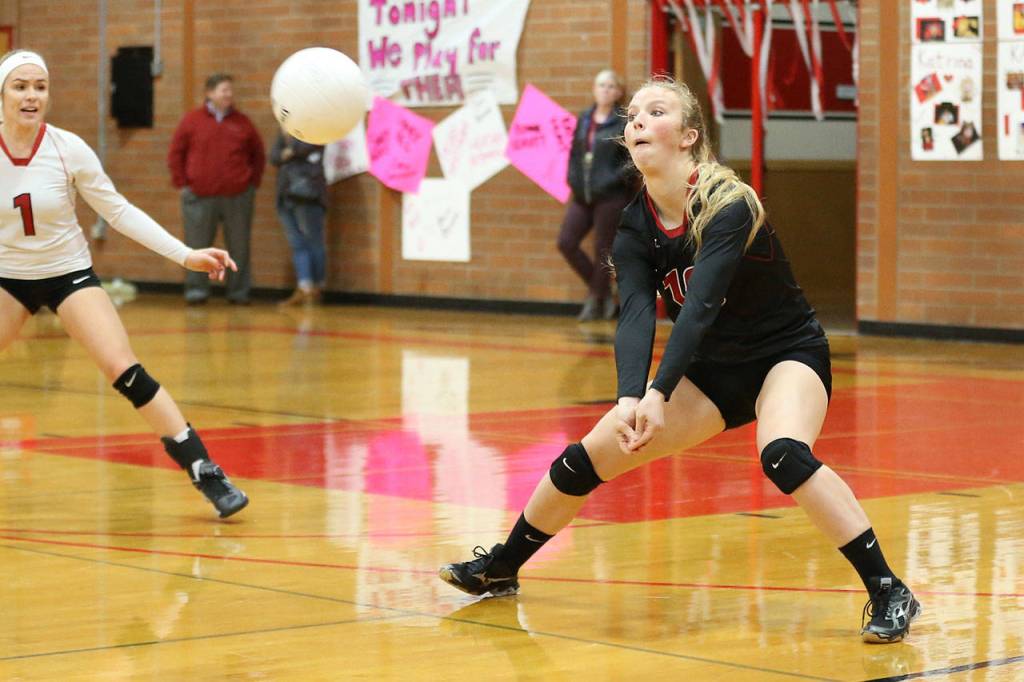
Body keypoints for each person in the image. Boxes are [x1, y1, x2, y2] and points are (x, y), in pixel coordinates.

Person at [440, 76, 920, 644]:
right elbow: (638, 313)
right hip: (713, 372)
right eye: (633, 114)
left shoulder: (730, 204)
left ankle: (889, 588)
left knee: (784, 456)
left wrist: (659, 393)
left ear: (689, 136)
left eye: (656, 110)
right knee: (585, 458)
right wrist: (628, 399)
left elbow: (699, 307)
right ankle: (502, 566)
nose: (637, 120)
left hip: (785, 355)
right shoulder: (635, 225)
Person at [0, 50, 248, 518]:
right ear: (2, 95)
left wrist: (187, 254)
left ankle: (205, 471)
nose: (32, 96)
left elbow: (118, 211)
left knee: (124, 368)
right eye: (20, 86)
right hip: (8, 278)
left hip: (67, 274)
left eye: (40, 86)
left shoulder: (67, 148)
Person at [167, 72, 264, 305]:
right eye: (224, 90)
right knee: (197, 246)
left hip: (238, 196)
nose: (229, 94)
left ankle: (239, 292)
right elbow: (176, 153)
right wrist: (183, 184)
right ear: (209, 93)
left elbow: (258, 155)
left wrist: (251, 184)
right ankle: (196, 291)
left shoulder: (243, 123)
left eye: (230, 90)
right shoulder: (192, 121)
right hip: (199, 196)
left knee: (239, 246)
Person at [559, 69, 635, 322]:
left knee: (603, 249)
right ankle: (602, 293)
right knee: (566, 242)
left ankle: (595, 301)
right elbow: (574, 154)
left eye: (611, 85)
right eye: (601, 84)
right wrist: (572, 178)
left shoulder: (623, 122)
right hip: (583, 194)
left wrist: (610, 180)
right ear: (594, 88)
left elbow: (631, 162)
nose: (605, 89)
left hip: (611, 195)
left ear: (618, 92)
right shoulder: (584, 118)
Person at [269, 127, 328, 306]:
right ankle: (305, 286)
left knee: (314, 241)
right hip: (286, 192)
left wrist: (290, 147)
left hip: (308, 193)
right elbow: (274, 156)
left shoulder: (318, 125)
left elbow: (303, 147)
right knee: (297, 243)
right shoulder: (287, 126)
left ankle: (317, 287)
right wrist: (289, 149)